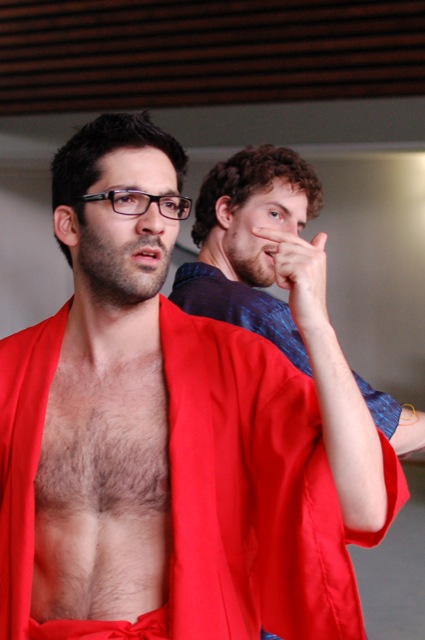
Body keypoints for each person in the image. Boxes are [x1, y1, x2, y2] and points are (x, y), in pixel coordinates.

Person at [0, 114, 408, 640]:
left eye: (169, 204)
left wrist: (316, 324)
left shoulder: (240, 364)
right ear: (69, 225)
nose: (155, 223)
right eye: (128, 199)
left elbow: (365, 509)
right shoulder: (10, 373)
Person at [169, 144, 425, 459]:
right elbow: (375, 428)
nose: (291, 238)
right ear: (226, 212)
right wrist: (315, 311)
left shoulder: (182, 299)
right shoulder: (250, 312)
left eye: (299, 227)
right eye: (276, 214)